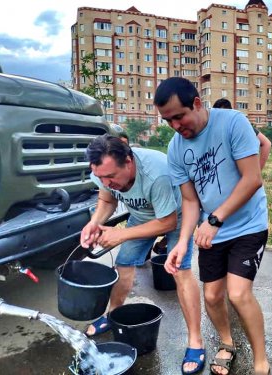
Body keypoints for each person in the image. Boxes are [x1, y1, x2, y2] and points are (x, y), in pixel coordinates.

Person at [155, 77, 270, 375]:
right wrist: (182, 243)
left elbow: (252, 178)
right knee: (212, 296)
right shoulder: (176, 148)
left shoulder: (233, 123)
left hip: (247, 224)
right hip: (212, 231)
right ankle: (227, 342)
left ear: (196, 103)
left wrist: (216, 219)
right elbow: (190, 202)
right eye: (168, 120)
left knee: (239, 294)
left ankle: (260, 359)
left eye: (179, 116)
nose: (176, 126)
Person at [80, 135, 205, 374]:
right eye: (101, 177)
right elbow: (106, 200)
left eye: (111, 177)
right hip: (142, 216)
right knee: (124, 263)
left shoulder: (156, 174)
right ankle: (113, 314)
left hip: (176, 217)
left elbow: (167, 223)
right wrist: (94, 223)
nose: (106, 181)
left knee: (180, 271)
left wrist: (120, 235)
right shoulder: (103, 172)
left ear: (128, 161)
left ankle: (195, 341)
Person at [213, 98, 272, 170]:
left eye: (223, 115)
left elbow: (266, 144)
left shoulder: (241, 127)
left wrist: (257, 172)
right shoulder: (214, 130)